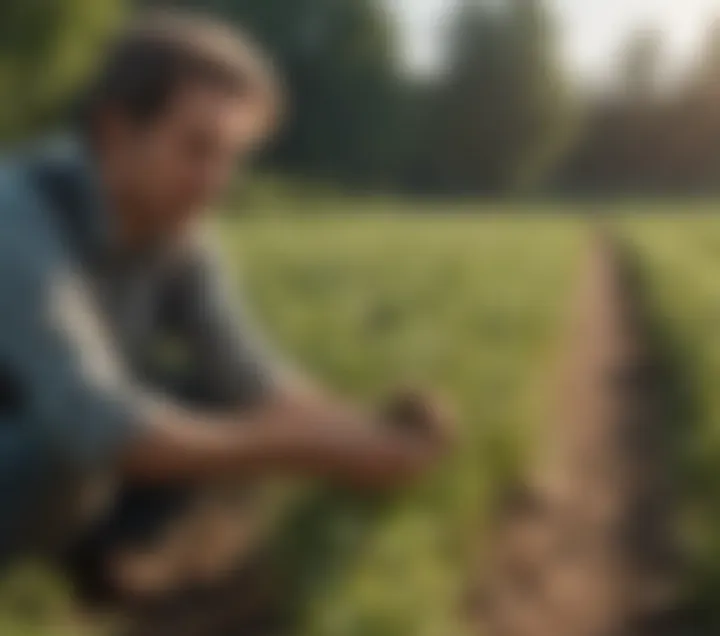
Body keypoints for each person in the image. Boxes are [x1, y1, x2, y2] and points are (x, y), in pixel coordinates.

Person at [0, 12, 453, 595]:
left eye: (232, 157)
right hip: (31, 446)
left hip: (52, 460)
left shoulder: (178, 230)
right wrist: (314, 451)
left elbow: (253, 379)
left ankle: (88, 561)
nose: (216, 180)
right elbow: (94, 420)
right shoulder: (17, 213)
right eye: (197, 148)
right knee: (75, 442)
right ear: (114, 130)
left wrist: (367, 433)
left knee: (210, 400)